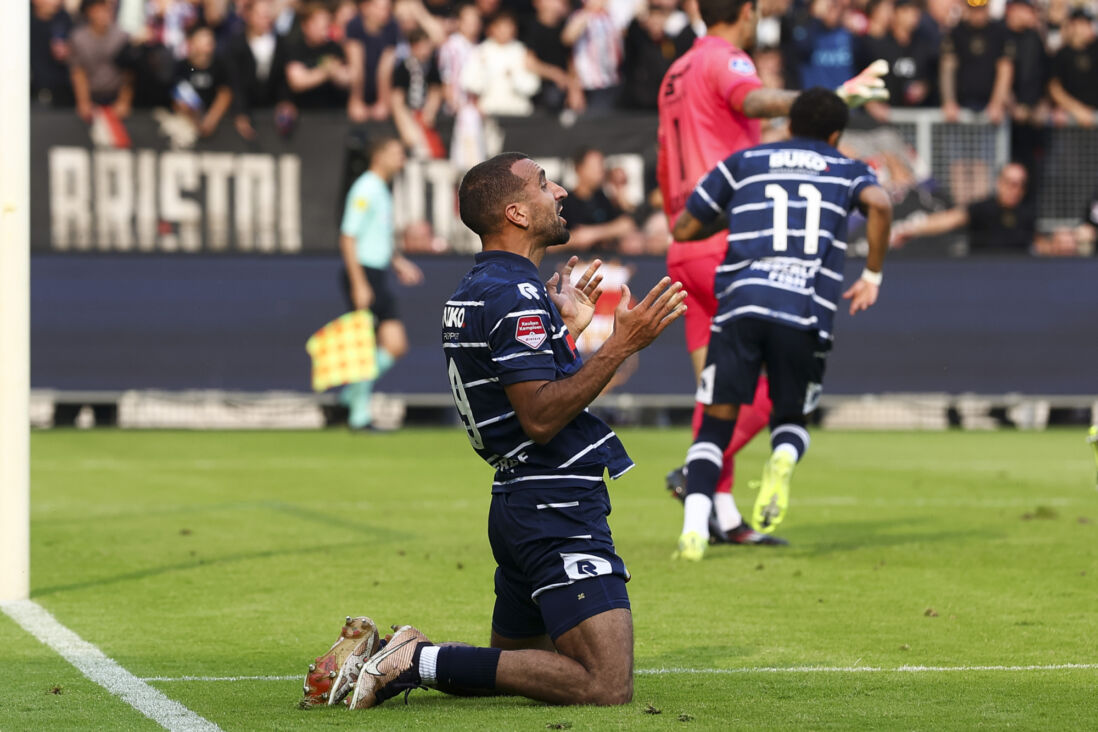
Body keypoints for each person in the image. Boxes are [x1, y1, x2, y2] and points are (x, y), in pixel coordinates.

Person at [305, 153, 686, 709]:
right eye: (543, 184)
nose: (558, 192)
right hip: (552, 502)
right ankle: (413, 658)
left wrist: (567, 337)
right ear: (517, 212)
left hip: (517, 500)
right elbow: (539, 415)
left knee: (506, 671)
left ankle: (412, 658)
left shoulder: (484, 286)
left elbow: (518, 394)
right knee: (605, 683)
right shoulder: (514, 294)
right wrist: (622, 344)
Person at [656, 0, 887, 546]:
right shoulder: (724, 58)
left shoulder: (676, 71)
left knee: (713, 391)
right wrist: (828, 101)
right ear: (747, 11)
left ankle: (724, 515)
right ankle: (698, 473)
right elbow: (754, 100)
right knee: (763, 388)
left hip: (684, 238)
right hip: (731, 240)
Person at [338, 137, 424, 430]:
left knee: (394, 345)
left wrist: (398, 263)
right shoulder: (365, 188)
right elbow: (348, 236)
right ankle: (358, 413)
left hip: (376, 272)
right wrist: (359, 282)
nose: (402, 158)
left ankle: (352, 395)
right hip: (364, 273)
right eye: (396, 152)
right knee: (371, 345)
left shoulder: (382, 189)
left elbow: (378, 238)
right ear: (379, 155)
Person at [891, 162, 1036, 254]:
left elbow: (1037, 244)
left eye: (1020, 184)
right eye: (1010, 183)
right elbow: (950, 219)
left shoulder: (1027, 213)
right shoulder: (983, 208)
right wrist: (911, 229)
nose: (1014, 189)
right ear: (999, 183)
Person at [560, 147, 638, 252]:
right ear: (579, 168)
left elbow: (626, 225)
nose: (600, 170)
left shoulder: (603, 199)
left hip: (606, 261)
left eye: (601, 165)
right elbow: (549, 243)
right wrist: (575, 239)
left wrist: (593, 234)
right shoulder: (566, 202)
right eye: (594, 166)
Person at [69, 0, 133, 123]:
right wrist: (83, 102)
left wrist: (124, 101)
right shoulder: (78, 38)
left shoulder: (122, 37)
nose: (102, 14)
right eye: (97, 10)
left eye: (105, 9)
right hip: (92, 96)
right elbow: (78, 72)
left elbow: (128, 73)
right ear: (88, 12)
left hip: (115, 96)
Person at [1049, 6, 1098, 128]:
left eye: (1088, 23)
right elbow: (1054, 87)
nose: (1087, 28)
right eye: (1082, 23)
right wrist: (1077, 110)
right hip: (1070, 122)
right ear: (1072, 25)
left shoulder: (1095, 49)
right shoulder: (1061, 54)